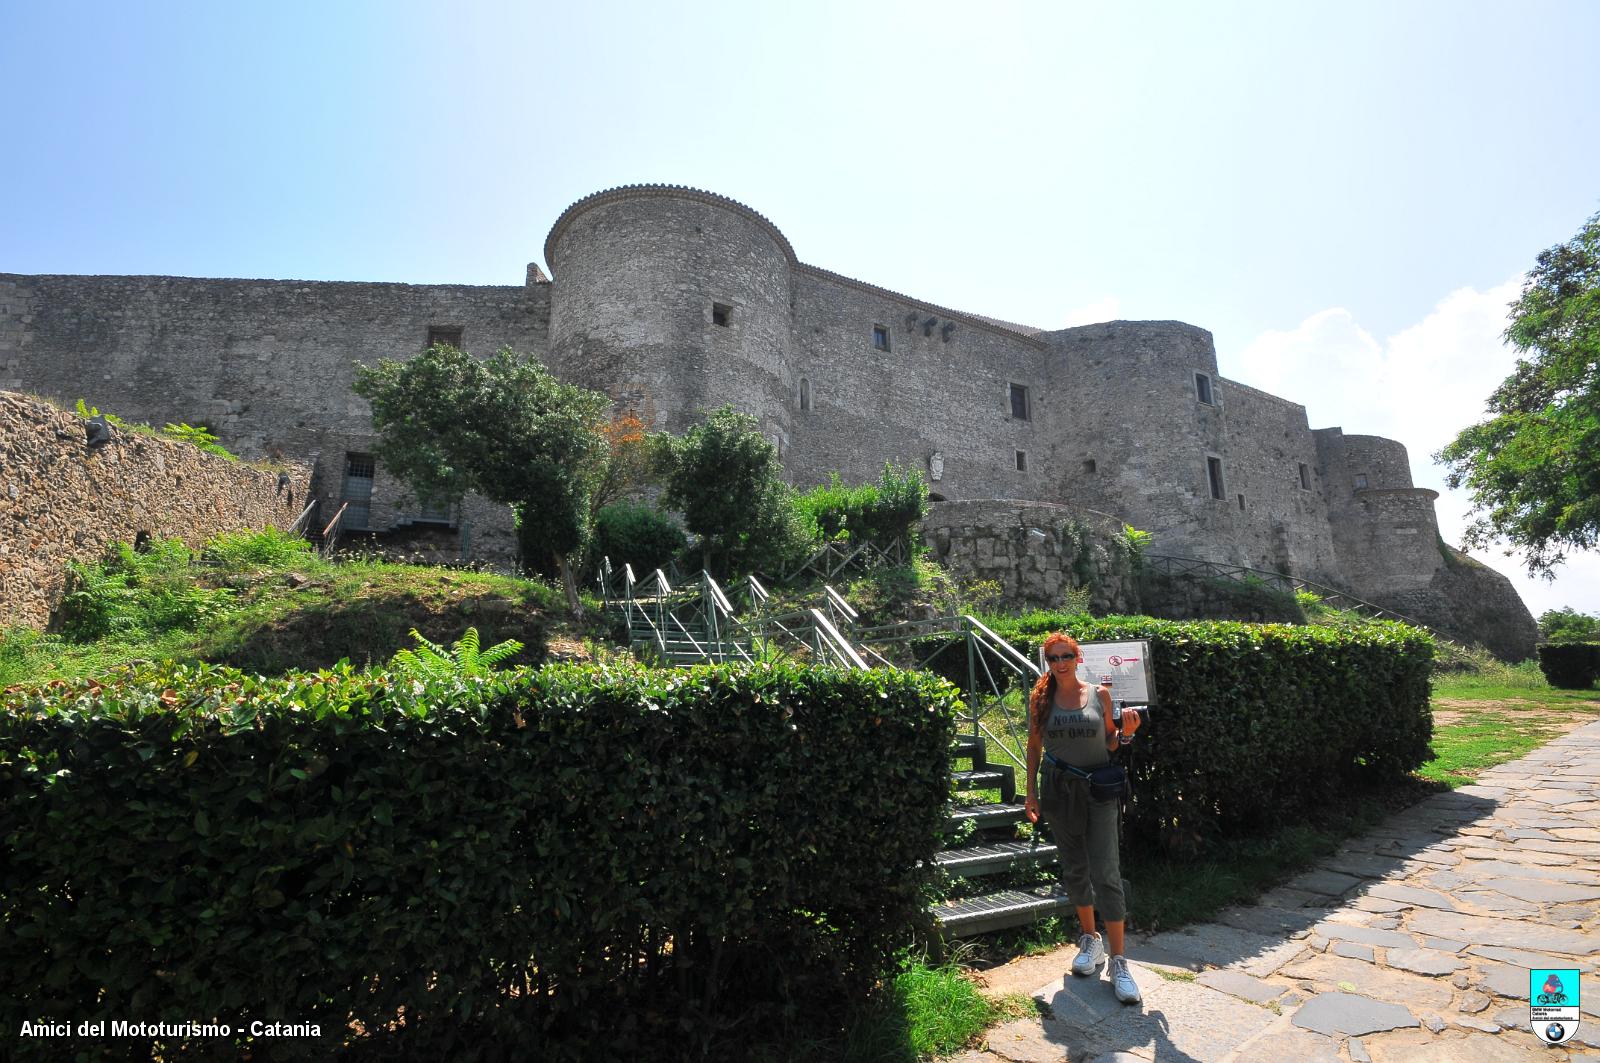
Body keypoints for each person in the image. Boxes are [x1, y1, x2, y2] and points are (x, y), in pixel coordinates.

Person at [1024, 631, 1143, 1004]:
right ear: (1049, 663)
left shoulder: (1099, 695)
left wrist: (1126, 734)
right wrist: (1029, 792)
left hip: (1096, 792)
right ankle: (1091, 941)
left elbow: (1110, 742)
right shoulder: (1041, 700)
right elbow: (1033, 747)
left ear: (1078, 658)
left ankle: (1120, 960)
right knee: (1075, 868)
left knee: (1106, 871)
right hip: (1058, 791)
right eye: (1053, 658)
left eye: (1066, 656)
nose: (1060, 663)